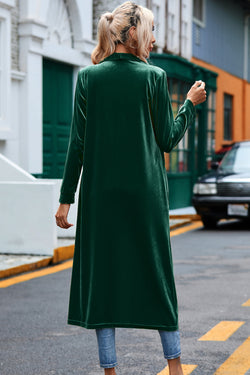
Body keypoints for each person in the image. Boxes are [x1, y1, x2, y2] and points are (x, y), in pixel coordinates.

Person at [55, 2, 206, 374]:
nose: (155, 40)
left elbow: (78, 144)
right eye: (152, 31)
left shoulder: (89, 78)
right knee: (157, 278)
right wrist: (188, 104)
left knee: (103, 281)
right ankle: (174, 369)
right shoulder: (153, 77)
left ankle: (110, 371)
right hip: (145, 197)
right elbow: (168, 139)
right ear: (134, 33)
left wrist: (65, 201)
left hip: (100, 198)